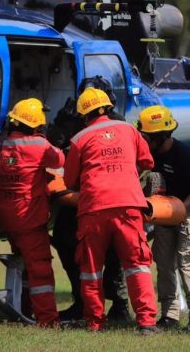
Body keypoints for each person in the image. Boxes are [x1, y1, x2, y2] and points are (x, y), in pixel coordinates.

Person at [63, 87, 159, 335]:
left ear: (83, 114)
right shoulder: (129, 130)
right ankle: (147, 323)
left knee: (91, 269)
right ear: (107, 107)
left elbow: (69, 181)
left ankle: (95, 323)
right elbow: (148, 162)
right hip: (128, 206)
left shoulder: (79, 139)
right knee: (137, 265)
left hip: (93, 209)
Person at [48, 76, 130, 322]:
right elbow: (54, 145)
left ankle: (119, 303)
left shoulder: (118, 124)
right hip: (79, 196)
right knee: (64, 239)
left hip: (111, 196)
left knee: (117, 251)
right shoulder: (72, 118)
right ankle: (83, 300)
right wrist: (63, 121)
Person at [137, 105, 190, 332]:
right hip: (165, 210)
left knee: (188, 263)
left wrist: (182, 210)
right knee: (164, 263)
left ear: (160, 136)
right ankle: (169, 316)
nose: (143, 140)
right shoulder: (151, 154)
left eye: (146, 136)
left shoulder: (186, 155)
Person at [0, 98, 65, 327]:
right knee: (41, 270)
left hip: (7, 217)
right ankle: (47, 320)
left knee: (24, 266)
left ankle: (25, 308)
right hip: (30, 219)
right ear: (38, 125)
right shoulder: (39, 145)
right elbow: (60, 159)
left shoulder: (1, 145)